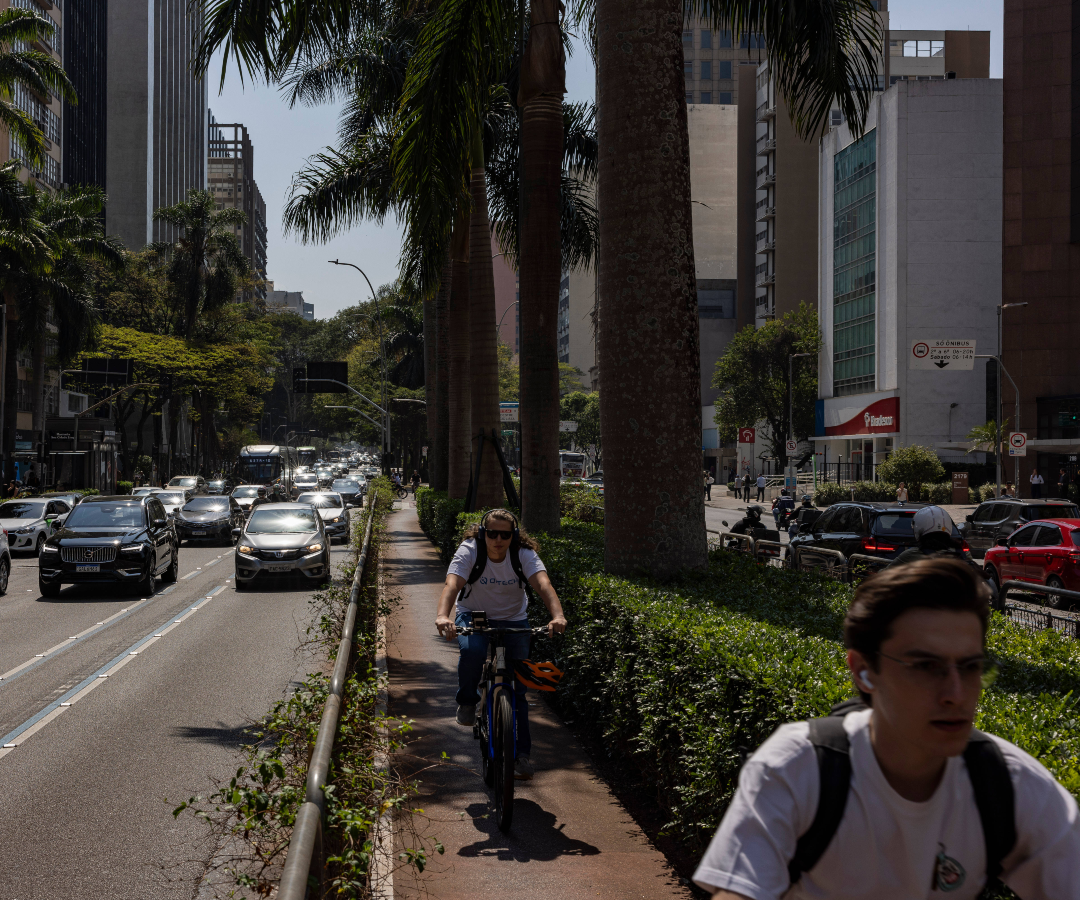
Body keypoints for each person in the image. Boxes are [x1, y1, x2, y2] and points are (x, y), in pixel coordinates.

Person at [693, 558, 1080, 900]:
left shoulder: (1006, 783)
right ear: (863, 671)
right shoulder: (798, 768)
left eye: (970, 666)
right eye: (925, 667)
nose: (955, 694)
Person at [435, 509, 567, 781]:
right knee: (472, 651)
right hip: (475, 615)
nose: (498, 539)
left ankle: (522, 757)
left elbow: (544, 585)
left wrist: (558, 616)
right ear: (483, 533)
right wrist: (443, 616)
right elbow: (452, 585)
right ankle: (468, 702)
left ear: (514, 536)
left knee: (519, 690)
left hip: (514, 620)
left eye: (505, 535)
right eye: (491, 533)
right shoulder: (470, 550)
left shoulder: (523, 554)